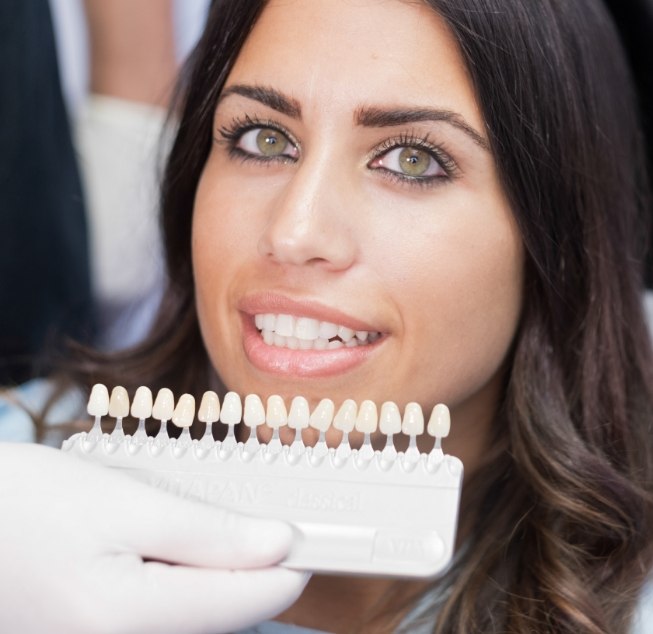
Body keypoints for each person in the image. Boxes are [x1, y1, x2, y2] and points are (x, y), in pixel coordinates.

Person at [1, 0, 652, 632]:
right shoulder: (24, 481)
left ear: (558, 237)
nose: (293, 231)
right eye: (264, 138)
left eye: (411, 160)